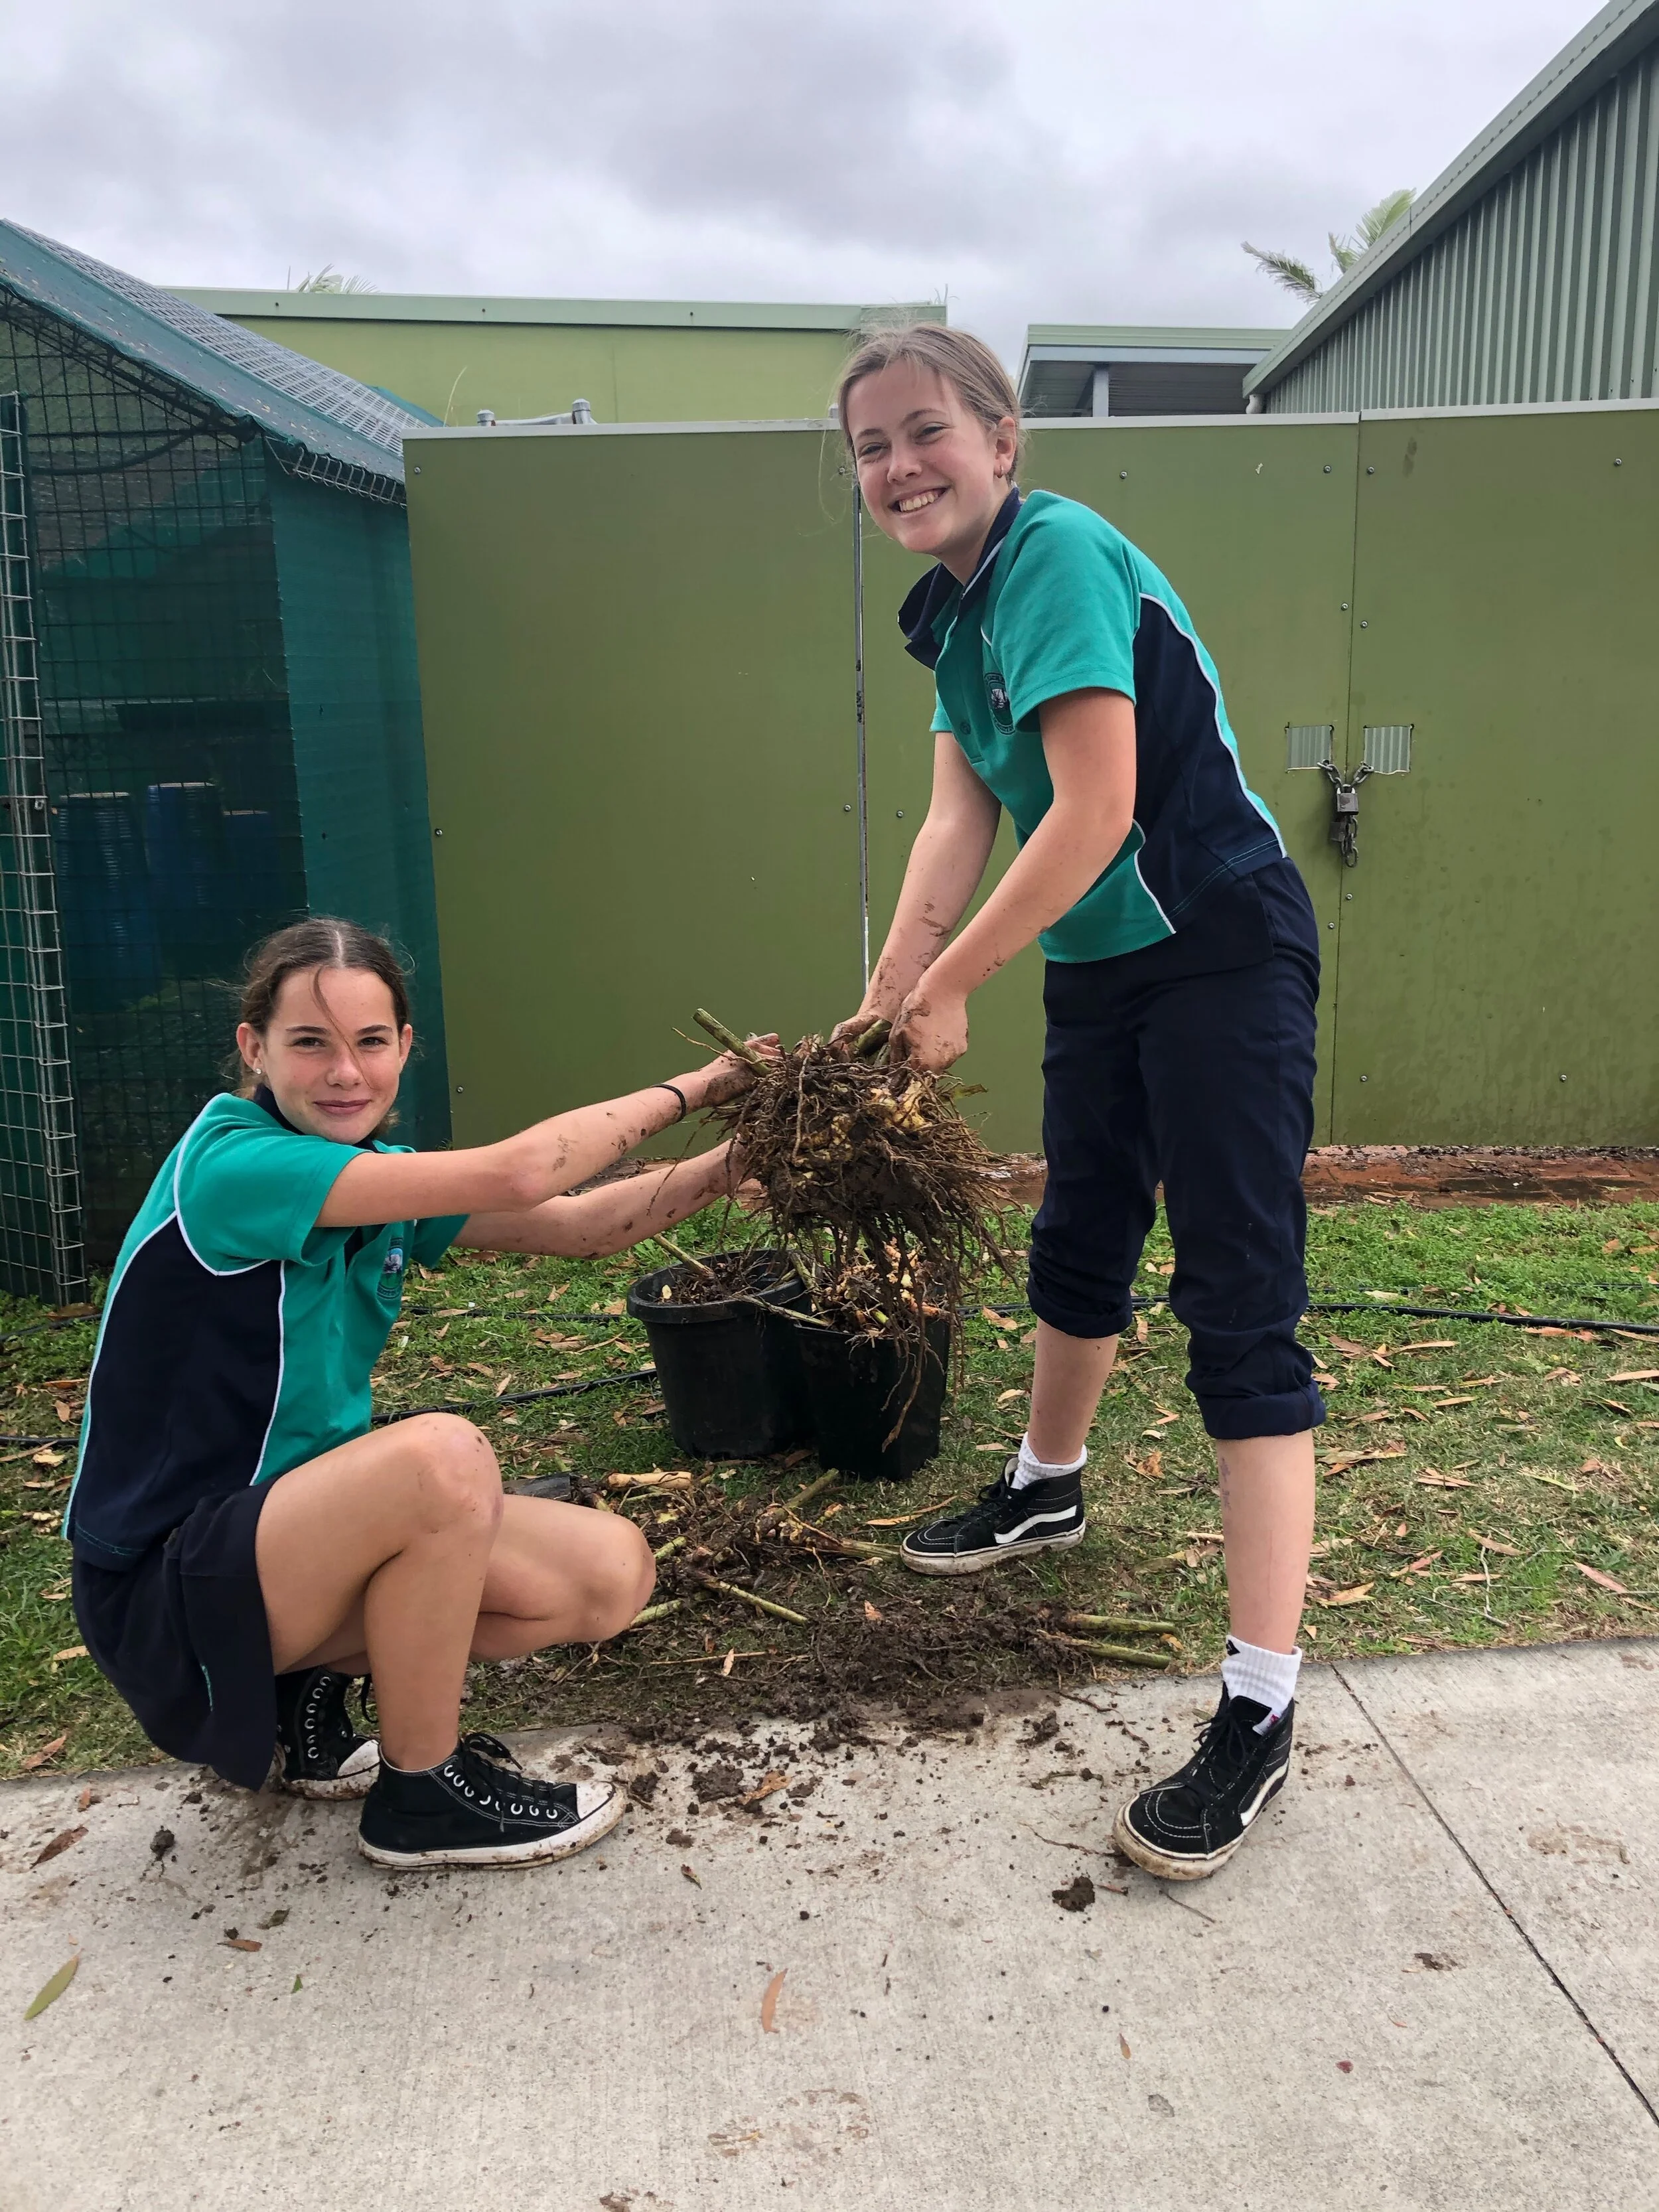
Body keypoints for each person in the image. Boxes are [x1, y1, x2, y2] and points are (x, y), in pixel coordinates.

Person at [832, 326, 1323, 1881]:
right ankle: (1045, 1489)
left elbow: (1100, 804)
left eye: (925, 432)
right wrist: (888, 982)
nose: (898, 466)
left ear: (1000, 438)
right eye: (868, 448)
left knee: (1237, 1310)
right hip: (1108, 962)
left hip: (1216, 945)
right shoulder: (952, 612)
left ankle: (1259, 1704)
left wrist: (955, 981)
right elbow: (956, 812)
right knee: (1078, 1232)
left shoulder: (1051, 555)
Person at [68, 917, 764, 1871]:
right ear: (253, 1048)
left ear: (404, 1046)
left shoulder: (371, 1180)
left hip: (279, 1549)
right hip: (167, 1588)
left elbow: (579, 1225)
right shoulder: (234, 1167)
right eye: (309, 1043)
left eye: (370, 1041)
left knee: (609, 1572)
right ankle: (424, 1795)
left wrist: (742, 1160)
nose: (344, 1072)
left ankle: (298, 1700)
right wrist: (704, 1086)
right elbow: (524, 1168)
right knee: (441, 1460)